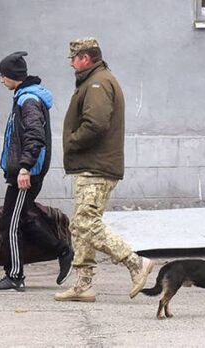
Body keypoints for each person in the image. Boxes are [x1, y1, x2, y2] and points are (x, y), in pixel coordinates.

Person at [55, 38, 154, 303]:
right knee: (82, 226)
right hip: (92, 165)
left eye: (73, 57)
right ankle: (83, 285)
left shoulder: (98, 83)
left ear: (86, 58)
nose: (71, 62)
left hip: (96, 166)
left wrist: (72, 141)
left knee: (86, 223)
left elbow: (96, 124)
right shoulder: (94, 80)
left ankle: (135, 263)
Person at [0, 51, 73, 292]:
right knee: (20, 219)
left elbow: (34, 137)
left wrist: (24, 168)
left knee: (10, 223)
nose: (1, 79)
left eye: (3, 75)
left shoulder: (29, 100)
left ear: (13, 76)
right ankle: (62, 250)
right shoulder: (25, 97)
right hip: (24, 171)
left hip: (27, 173)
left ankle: (14, 275)